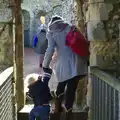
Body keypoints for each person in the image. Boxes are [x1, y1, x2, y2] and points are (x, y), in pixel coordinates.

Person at [42, 15, 88, 120]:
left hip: (64, 64)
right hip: (78, 63)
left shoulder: (52, 33)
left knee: (60, 87)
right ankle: (68, 115)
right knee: (71, 90)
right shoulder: (71, 27)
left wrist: (45, 64)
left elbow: (50, 50)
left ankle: (57, 112)